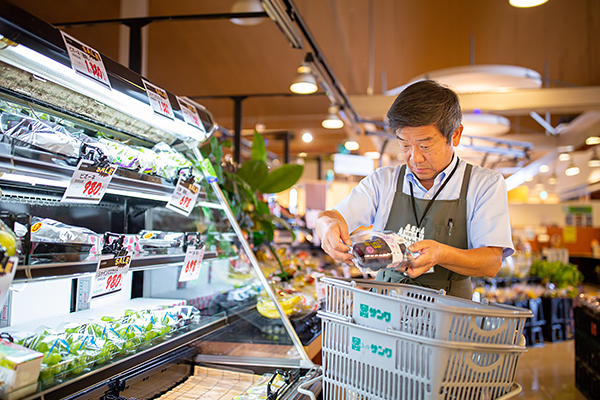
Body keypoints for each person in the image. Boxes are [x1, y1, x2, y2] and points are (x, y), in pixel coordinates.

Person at [315, 79, 514, 299]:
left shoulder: (484, 184)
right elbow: (331, 216)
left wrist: (441, 254)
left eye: (425, 145)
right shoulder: (384, 181)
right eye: (405, 145)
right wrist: (327, 226)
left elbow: (491, 262)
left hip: (448, 318)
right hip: (383, 310)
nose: (414, 157)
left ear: (455, 135)